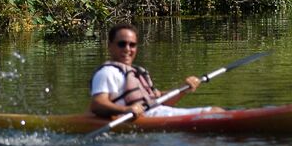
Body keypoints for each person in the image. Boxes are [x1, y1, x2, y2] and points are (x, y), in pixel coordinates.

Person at [89, 24, 220, 120]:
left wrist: (182, 89)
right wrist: (126, 109)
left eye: (132, 44)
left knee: (217, 111)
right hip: (139, 118)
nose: (127, 49)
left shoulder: (138, 72)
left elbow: (160, 101)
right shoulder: (107, 73)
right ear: (110, 46)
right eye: (122, 44)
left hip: (157, 113)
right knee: (215, 112)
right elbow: (97, 105)